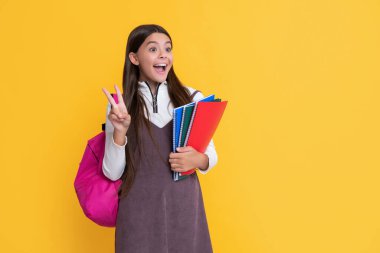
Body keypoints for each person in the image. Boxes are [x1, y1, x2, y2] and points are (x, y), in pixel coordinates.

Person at [101, 24, 218, 253]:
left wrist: (197, 160)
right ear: (134, 58)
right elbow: (112, 172)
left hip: (184, 209)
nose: (163, 54)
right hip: (137, 212)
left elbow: (211, 156)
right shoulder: (120, 106)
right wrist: (120, 130)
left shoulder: (192, 98)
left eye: (168, 48)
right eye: (153, 49)